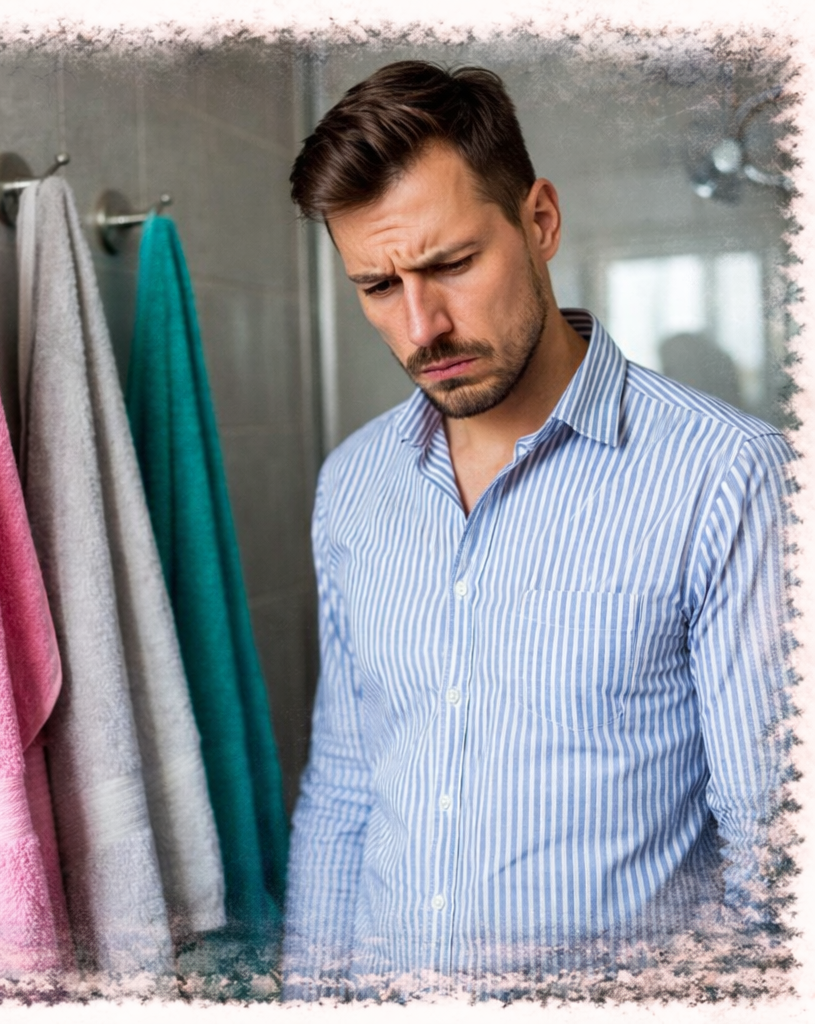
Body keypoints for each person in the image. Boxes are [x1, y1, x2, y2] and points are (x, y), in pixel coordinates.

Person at [281, 61, 797, 999]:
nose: (422, 328)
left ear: (541, 221)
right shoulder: (353, 484)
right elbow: (346, 793)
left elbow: (774, 857)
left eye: (452, 265)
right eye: (378, 285)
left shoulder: (727, 476)